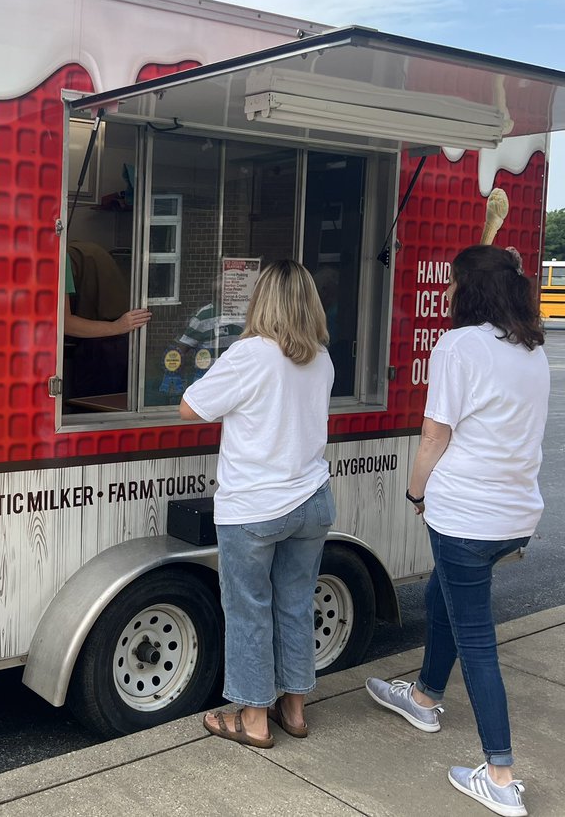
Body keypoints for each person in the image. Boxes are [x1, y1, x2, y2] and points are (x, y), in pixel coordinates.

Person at [366, 244, 547, 817]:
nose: (444, 292)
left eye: (451, 283)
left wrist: (416, 492)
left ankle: (499, 774)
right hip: (515, 512)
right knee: (450, 595)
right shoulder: (531, 347)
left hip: (466, 511)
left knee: (478, 642)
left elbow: (433, 435)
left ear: (468, 289)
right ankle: (422, 696)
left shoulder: (458, 345)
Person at [179, 259, 334, 748]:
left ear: (261, 300)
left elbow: (191, 407)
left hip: (254, 509)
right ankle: (294, 709)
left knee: (249, 611)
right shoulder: (322, 357)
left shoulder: (250, 354)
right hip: (311, 500)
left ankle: (252, 720)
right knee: (294, 605)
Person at [63, 240, 150, 399]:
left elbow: (64, 323)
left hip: (101, 346)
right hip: (114, 343)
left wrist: (118, 326)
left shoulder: (62, 258)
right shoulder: (85, 252)